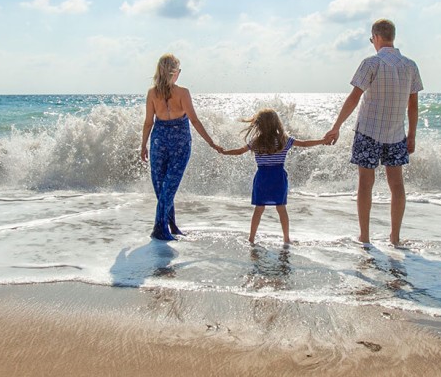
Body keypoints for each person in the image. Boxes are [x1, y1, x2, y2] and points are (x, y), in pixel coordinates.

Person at [323, 18, 423, 246]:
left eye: (372, 39)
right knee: (397, 185)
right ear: (392, 37)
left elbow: (354, 98)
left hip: (368, 132)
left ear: (376, 37)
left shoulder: (371, 63)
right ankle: (395, 238)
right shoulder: (410, 65)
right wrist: (412, 135)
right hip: (396, 134)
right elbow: (413, 106)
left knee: (365, 184)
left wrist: (336, 126)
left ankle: (365, 237)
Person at [218, 108, 328, 244]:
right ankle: (286, 238)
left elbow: (240, 151)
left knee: (259, 209)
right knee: (281, 208)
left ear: (259, 124)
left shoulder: (256, 141)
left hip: (262, 177)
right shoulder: (284, 140)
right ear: (276, 123)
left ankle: (251, 238)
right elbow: (304, 144)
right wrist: (323, 141)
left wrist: (224, 152)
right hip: (278, 177)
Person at [140, 54, 220, 240]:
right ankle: (160, 228)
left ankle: (171, 226)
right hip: (179, 142)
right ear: (174, 72)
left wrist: (143, 145)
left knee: (163, 186)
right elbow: (194, 120)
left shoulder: (152, 93)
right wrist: (211, 142)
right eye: (179, 70)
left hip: (159, 140)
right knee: (167, 186)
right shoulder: (182, 93)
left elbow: (148, 122)